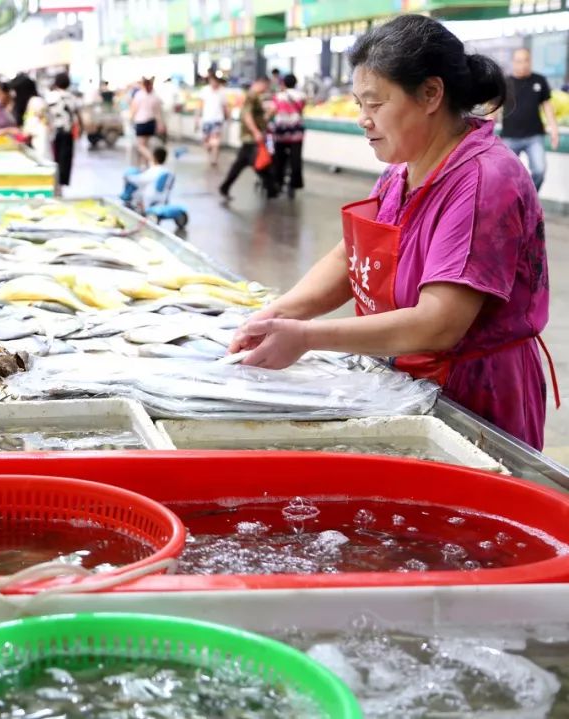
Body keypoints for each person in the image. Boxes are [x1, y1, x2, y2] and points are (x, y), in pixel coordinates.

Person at [228, 15, 552, 450]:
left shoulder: (482, 181)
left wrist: (308, 338)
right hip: (411, 374)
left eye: (375, 104)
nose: (363, 119)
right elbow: (352, 259)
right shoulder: (403, 169)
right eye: (359, 104)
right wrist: (276, 316)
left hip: (475, 393)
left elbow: (440, 323)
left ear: (431, 94)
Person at [502, 48, 559, 191]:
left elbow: (547, 107)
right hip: (509, 137)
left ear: (530, 61)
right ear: (513, 63)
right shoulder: (505, 83)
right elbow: (493, 108)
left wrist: (554, 130)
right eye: (519, 61)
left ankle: (528, 200)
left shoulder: (539, 80)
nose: (523, 64)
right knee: (504, 174)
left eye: (526, 60)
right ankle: (513, 203)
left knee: (539, 170)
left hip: (535, 136)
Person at [218, 75, 277, 201]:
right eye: (266, 86)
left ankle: (225, 186)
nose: (266, 89)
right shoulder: (252, 96)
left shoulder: (254, 96)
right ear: (262, 84)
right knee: (261, 165)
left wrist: (267, 115)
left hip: (249, 138)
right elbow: (247, 115)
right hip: (251, 138)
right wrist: (256, 132)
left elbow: (255, 117)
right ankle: (272, 189)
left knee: (241, 164)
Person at [271, 73, 306, 198]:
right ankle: (293, 185)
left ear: (283, 83)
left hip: (281, 130)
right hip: (296, 130)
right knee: (295, 159)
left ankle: (278, 183)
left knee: (280, 159)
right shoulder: (302, 96)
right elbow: (302, 108)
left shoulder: (278, 96)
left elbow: (273, 110)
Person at [46, 72, 80, 189]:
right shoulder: (72, 97)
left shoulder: (51, 96)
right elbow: (76, 115)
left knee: (55, 157)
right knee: (66, 157)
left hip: (55, 132)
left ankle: (55, 180)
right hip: (68, 132)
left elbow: (46, 114)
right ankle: (62, 182)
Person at [120, 145, 170, 211]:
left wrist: (127, 177)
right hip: (163, 199)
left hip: (150, 198)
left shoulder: (153, 170)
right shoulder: (167, 172)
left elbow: (139, 180)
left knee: (134, 190)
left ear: (154, 157)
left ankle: (130, 206)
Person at [129, 77, 164, 167]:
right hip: (151, 123)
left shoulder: (139, 95)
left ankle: (152, 160)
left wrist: (131, 119)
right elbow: (158, 112)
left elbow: (134, 109)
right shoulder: (155, 96)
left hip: (141, 122)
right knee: (146, 145)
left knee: (140, 146)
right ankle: (146, 165)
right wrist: (160, 123)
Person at [199, 73, 227, 168]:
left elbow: (224, 106)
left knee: (215, 140)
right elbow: (200, 105)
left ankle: (214, 160)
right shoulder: (205, 90)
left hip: (218, 119)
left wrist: (227, 116)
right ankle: (210, 150)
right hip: (207, 119)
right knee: (206, 141)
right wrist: (197, 118)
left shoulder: (222, 91)